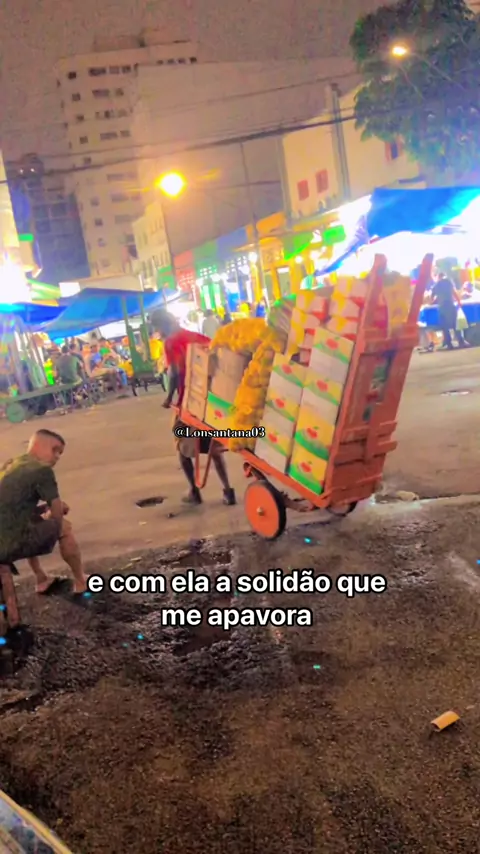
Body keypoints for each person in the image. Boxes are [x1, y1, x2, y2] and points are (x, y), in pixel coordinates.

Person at [150, 310, 236, 506]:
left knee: (181, 446)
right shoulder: (196, 336)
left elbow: (174, 372)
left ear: (160, 326)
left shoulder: (170, 342)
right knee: (213, 447)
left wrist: (169, 398)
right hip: (209, 400)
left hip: (188, 403)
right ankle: (228, 490)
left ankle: (194, 491)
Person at [0, 429, 89, 596]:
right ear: (38, 445)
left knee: (30, 520)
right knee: (64, 528)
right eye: (55, 450)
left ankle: (41, 578)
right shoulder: (42, 470)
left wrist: (43, 511)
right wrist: (54, 516)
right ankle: (81, 581)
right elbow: (57, 511)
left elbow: (13, 509)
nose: (57, 457)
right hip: (7, 545)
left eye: (60, 453)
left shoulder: (11, 464)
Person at [431, 272, 468, 350]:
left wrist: (434, 301)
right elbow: (454, 292)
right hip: (450, 305)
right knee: (455, 324)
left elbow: (432, 298)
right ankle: (461, 341)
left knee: (445, 326)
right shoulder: (448, 282)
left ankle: (448, 343)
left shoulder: (436, 285)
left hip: (442, 307)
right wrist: (459, 301)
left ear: (438, 277)